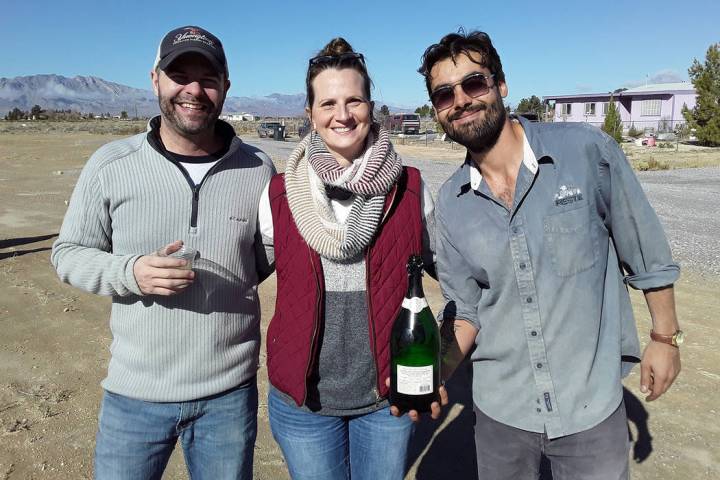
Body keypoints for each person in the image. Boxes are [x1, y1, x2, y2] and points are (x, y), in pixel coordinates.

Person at [420, 31, 682, 479]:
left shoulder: (584, 151)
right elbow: (464, 312)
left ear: (501, 85)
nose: (461, 100)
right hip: (502, 417)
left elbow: (646, 251)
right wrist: (432, 375)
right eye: (445, 94)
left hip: (591, 410)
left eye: (474, 84)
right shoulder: (450, 205)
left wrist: (664, 338)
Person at [51, 25, 275, 479]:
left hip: (228, 397)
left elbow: (263, 253)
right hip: (134, 397)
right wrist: (131, 272)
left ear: (226, 87)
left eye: (208, 78)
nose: (194, 90)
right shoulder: (111, 164)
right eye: (179, 75)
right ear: (156, 80)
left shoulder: (256, 167)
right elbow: (68, 253)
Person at [257, 37, 436, 480]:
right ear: (310, 114)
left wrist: (441, 357)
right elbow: (242, 271)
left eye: (354, 100)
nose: (343, 115)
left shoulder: (411, 190)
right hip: (304, 404)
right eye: (328, 103)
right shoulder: (279, 194)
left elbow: (461, 281)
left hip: (385, 400)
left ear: (371, 108)